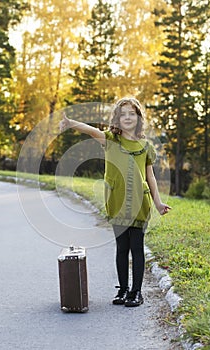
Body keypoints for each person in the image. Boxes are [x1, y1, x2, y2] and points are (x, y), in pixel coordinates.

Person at [59, 97, 171, 307]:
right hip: (117, 201)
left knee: (137, 247)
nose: (127, 117)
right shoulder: (111, 140)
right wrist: (71, 123)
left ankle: (136, 292)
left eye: (132, 114)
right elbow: (91, 131)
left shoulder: (145, 146)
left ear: (138, 118)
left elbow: (150, 177)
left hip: (140, 202)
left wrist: (158, 203)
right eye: (123, 114)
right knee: (121, 247)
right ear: (117, 119)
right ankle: (123, 290)